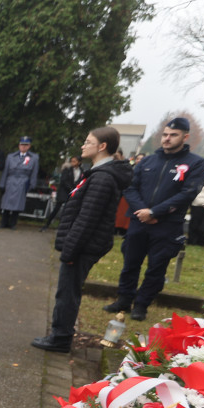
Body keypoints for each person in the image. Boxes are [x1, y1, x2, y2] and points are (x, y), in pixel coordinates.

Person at [33, 127, 132, 353]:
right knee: (68, 290)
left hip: (83, 247)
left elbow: (87, 219)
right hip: (83, 245)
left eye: (88, 142)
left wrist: (70, 251)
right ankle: (60, 335)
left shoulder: (103, 178)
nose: (83, 145)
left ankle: (60, 338)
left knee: (67, 293)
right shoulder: (98, 173)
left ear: (102, 146)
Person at [103, 117, 204, 320]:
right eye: (165, 134)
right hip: (139, 221)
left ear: (185, 137)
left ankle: (141, 305)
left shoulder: (196, 163)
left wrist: (154, 212)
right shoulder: (148, 161)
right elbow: (130, 187)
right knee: (130, 263)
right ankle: (124, 300)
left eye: (173, 135)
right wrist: (143, 211)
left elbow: (188, 193)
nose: (167, 138)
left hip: (167, 225)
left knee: (156, 267)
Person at [0, 136, 40, 229]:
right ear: (19, 145)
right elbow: (5, 171)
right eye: (22, 144)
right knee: (6, 203)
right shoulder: (11, 156)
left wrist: (32, 184)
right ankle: (3, 222)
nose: (23, 147)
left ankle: (13, 223)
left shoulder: (34, 158)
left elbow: (34, 172)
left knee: (18, 204)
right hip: (10, 181)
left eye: (26, 145)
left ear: (29, 146)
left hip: (22, 182)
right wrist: (2, 183)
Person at [41, 156, 83, 231]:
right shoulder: (67, 169)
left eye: (74, 161)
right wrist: (70, 188)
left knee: (67, 210)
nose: (72, 163)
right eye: (72, 161)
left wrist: (75, 188)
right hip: (64, 191)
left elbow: (80, 181)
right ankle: (47, 224)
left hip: (72, 192)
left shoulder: (81, 171)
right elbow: (64, 180)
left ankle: (61, 226)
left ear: (79, 162)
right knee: (57, 208)